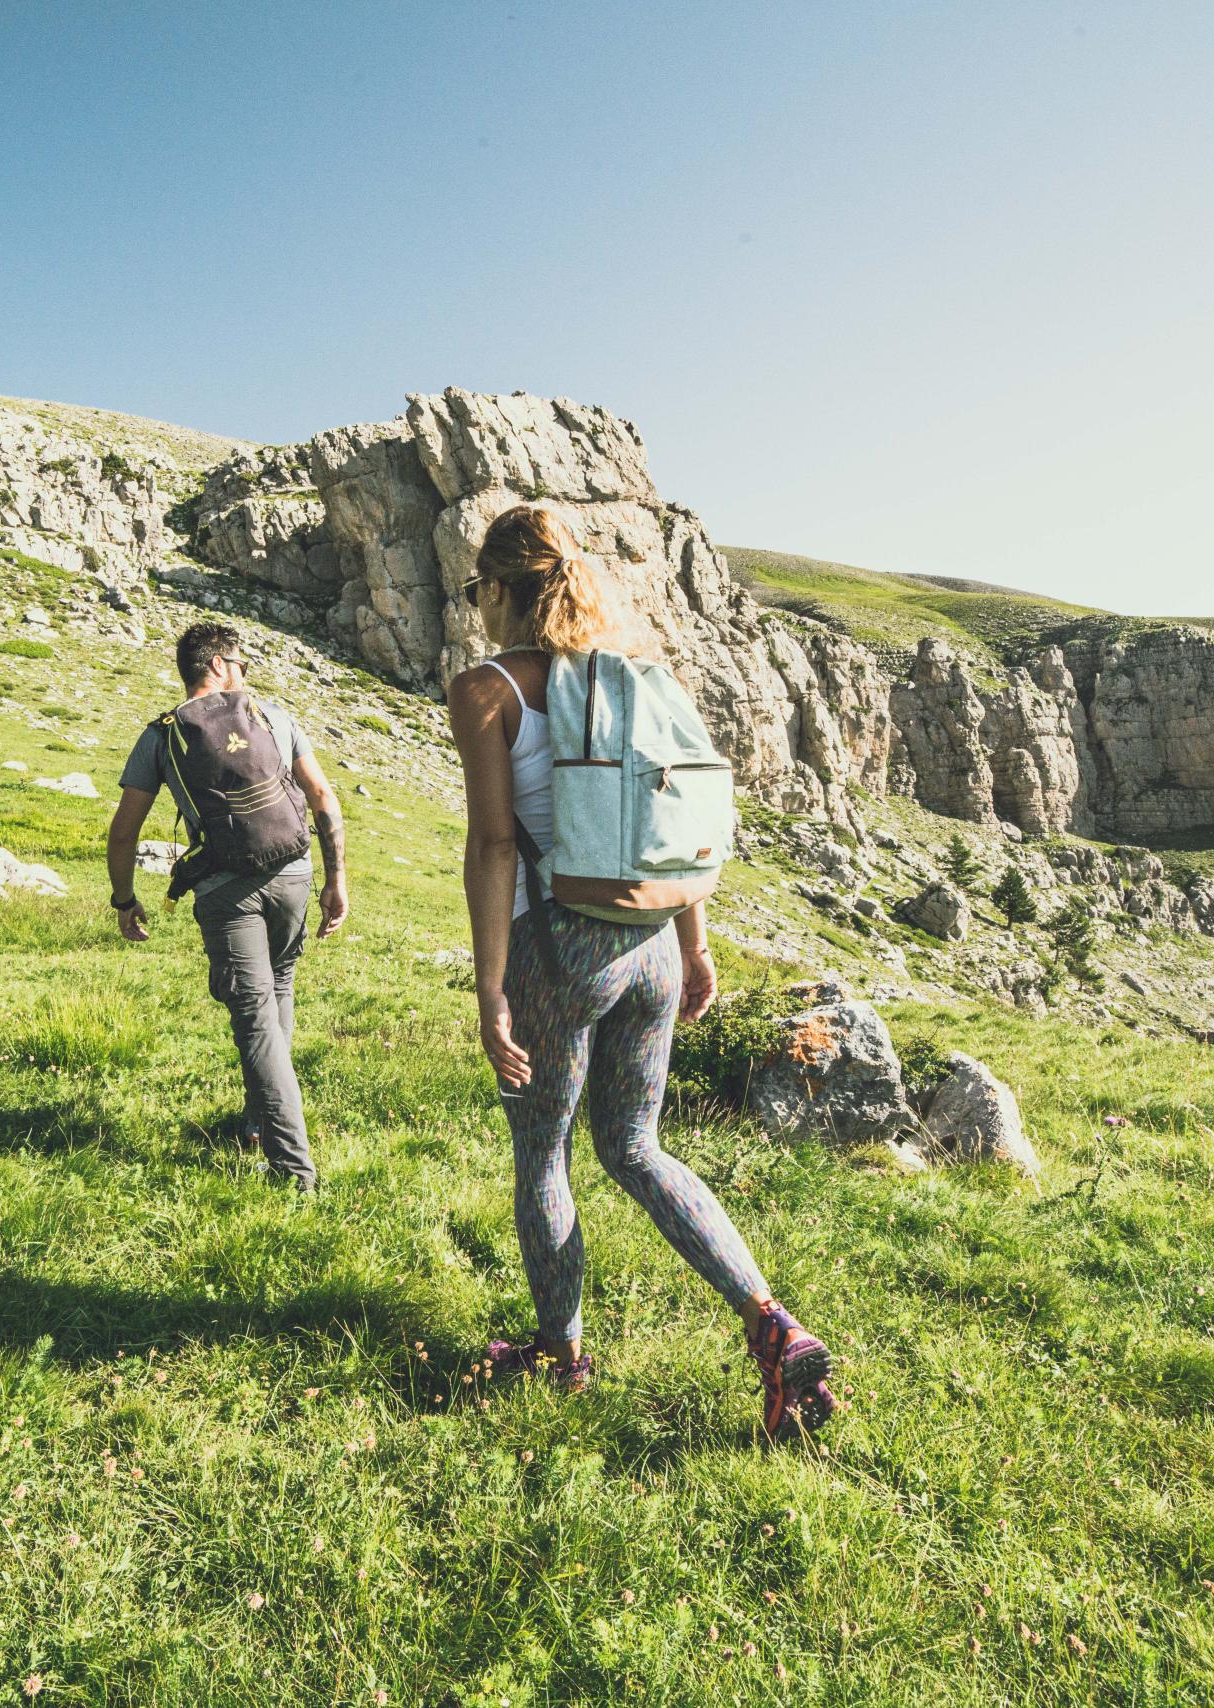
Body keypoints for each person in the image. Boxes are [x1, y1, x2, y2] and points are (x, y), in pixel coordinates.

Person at [445, 504, 836, 1437]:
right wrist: (696, 948)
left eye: (477, 590)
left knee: (545, 1152)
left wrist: (491, 988)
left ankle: (559, 1352)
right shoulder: (640, 679)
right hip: (655, 944)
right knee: (636, 1146)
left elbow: (496, 846)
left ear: (501, 589)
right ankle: (771, 1323)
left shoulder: (488, 689)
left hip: (564, 949)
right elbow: (675, 827)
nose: (476, 606)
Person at [107, 622, 349, 1190]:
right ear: (216, 665)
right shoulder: (274, 718)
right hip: (293, 874)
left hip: (224, 888)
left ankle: (293, 1170)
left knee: (255, 1021)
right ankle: (259, 1125)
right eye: (239, 662)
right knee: (278, 991)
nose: (244, 673)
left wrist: (125, 898)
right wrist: (336, 877)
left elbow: (124, 833)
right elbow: (321, 797)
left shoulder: (161, 737)